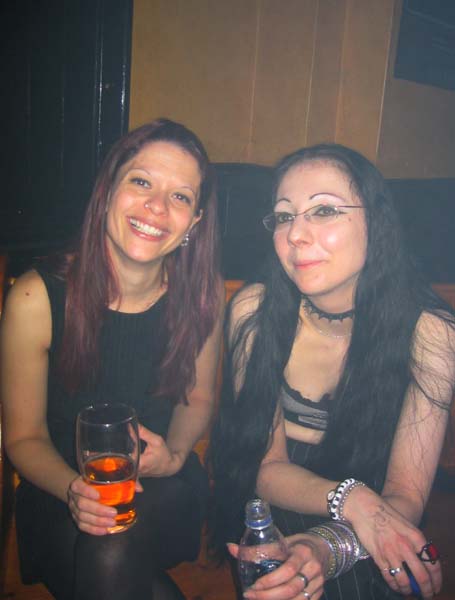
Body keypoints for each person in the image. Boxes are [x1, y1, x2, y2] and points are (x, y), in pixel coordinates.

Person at [209, 143, 455, 600]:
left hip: (376, 517)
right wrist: (351, 499)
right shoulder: (254, 310)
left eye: (323, 210)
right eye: (284, 216)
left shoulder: (430, 333)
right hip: (276, 502)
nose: (296, 235)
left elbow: (406, 494)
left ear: (375, 222)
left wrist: (328, 543)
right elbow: (265, 466)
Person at [0, 118, 225, 600]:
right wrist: (73, 490)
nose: (157, 207)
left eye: (180, 196)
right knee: (115, 562)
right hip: (60, 492)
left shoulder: (202, 299)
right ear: (106, 192)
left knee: (109, 555)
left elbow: (199, 398)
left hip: (163, 488)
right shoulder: (35, 299)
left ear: (194, 223)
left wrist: (175, 454)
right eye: (141, 182)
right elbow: (23, 436)